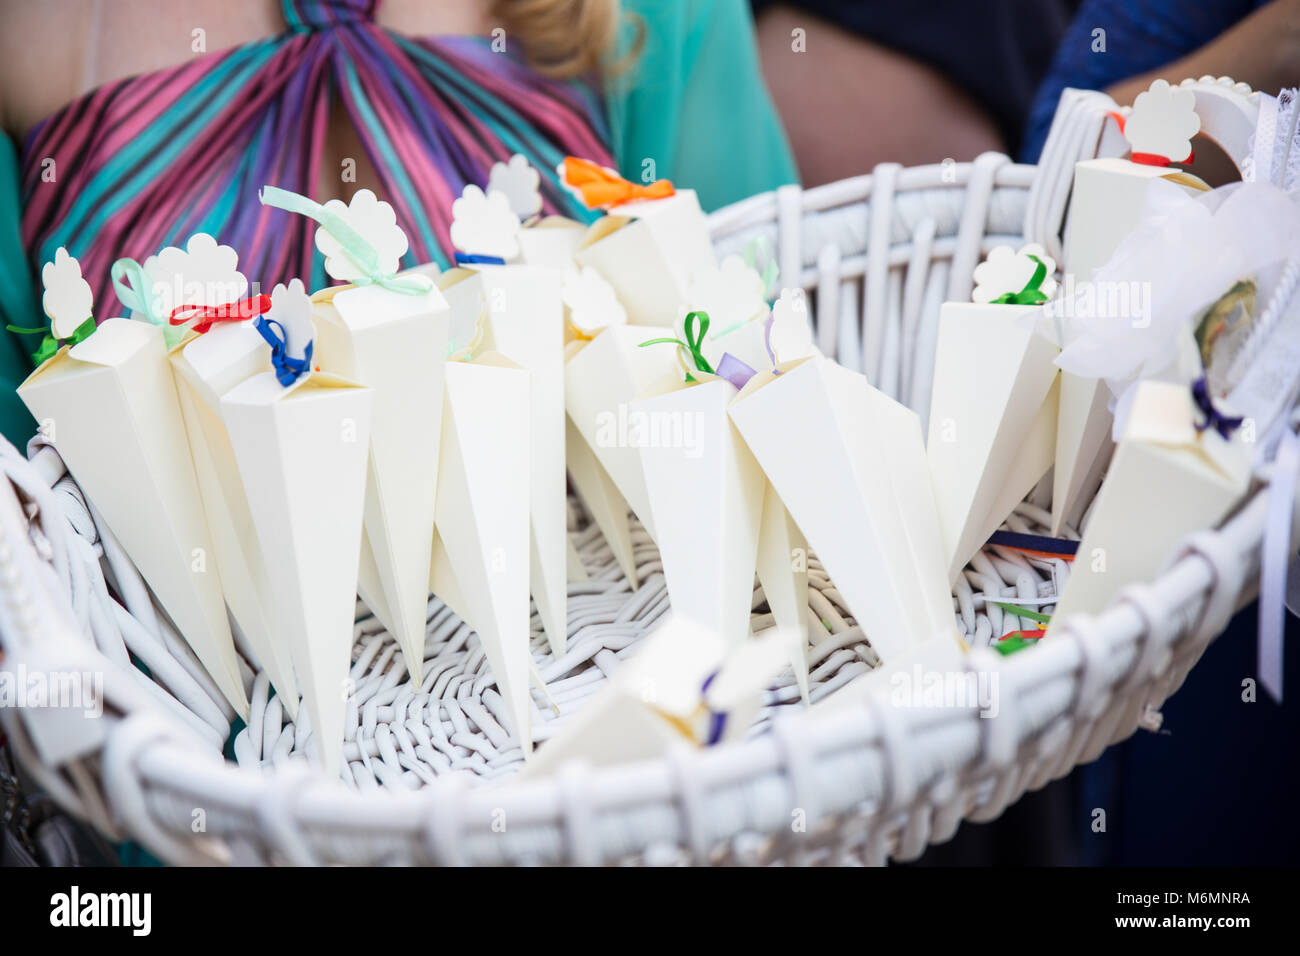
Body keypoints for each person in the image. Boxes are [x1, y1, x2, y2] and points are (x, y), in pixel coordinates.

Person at [0, 0, 797, 443]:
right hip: (172, 691)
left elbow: (769, 366)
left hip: (634, 651)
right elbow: (24, 524)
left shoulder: (645, 14)